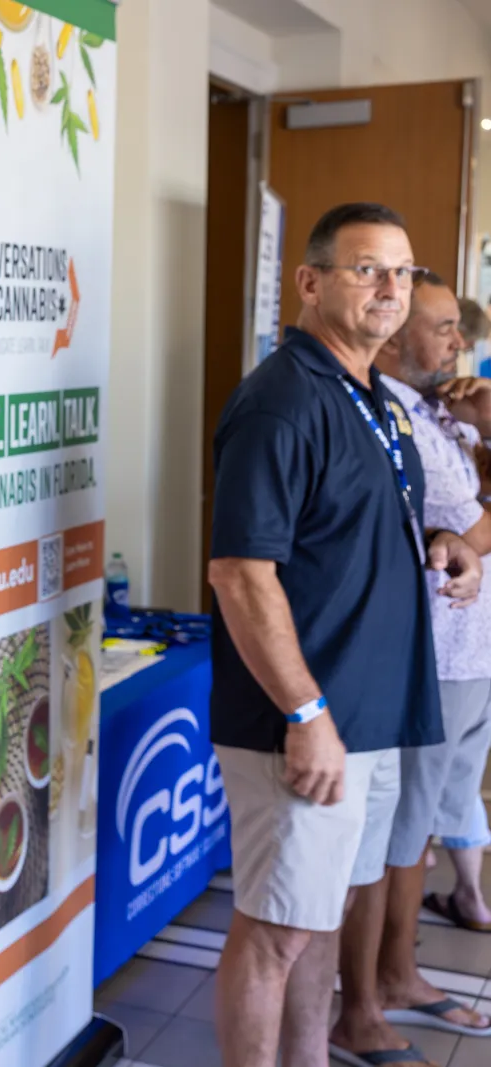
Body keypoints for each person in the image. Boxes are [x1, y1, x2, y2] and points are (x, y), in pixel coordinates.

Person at [208, 202, 482, 1067]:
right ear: (311, 281)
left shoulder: (373, 399)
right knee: (276, 932)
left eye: (402, 271)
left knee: (317, 919)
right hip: (308, 721)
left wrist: (442, 548)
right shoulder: (282, 401)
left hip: (365, 716)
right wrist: (307, 711)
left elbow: (352, 534)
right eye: (367, 268)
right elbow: (241, 574)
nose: (389, 288)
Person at [328, 273, 491, 1067]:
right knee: (399, 830)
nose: (459, 342)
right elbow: (460, 535)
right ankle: (378, 984)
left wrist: (484, 426)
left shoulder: (440, 412)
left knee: (420, 823)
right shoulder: (388, 416)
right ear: (394, 342)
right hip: (427, 656)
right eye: (445, 327)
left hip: (468, 653)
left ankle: (398, 972)